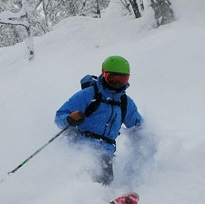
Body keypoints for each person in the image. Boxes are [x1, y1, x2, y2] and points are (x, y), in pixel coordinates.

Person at [55, 55, 143, 185]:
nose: (117, 83)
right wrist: (69, 119)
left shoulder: (125, 103)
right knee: (81, 179)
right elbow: (60, 116)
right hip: (79, 147)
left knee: (104, 184)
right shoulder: (88, 94)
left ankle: (103, 202)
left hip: (105, 153)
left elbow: (138, 127)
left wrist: (149, 140)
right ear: (103, 74)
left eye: (122, 79)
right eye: (112, 79)